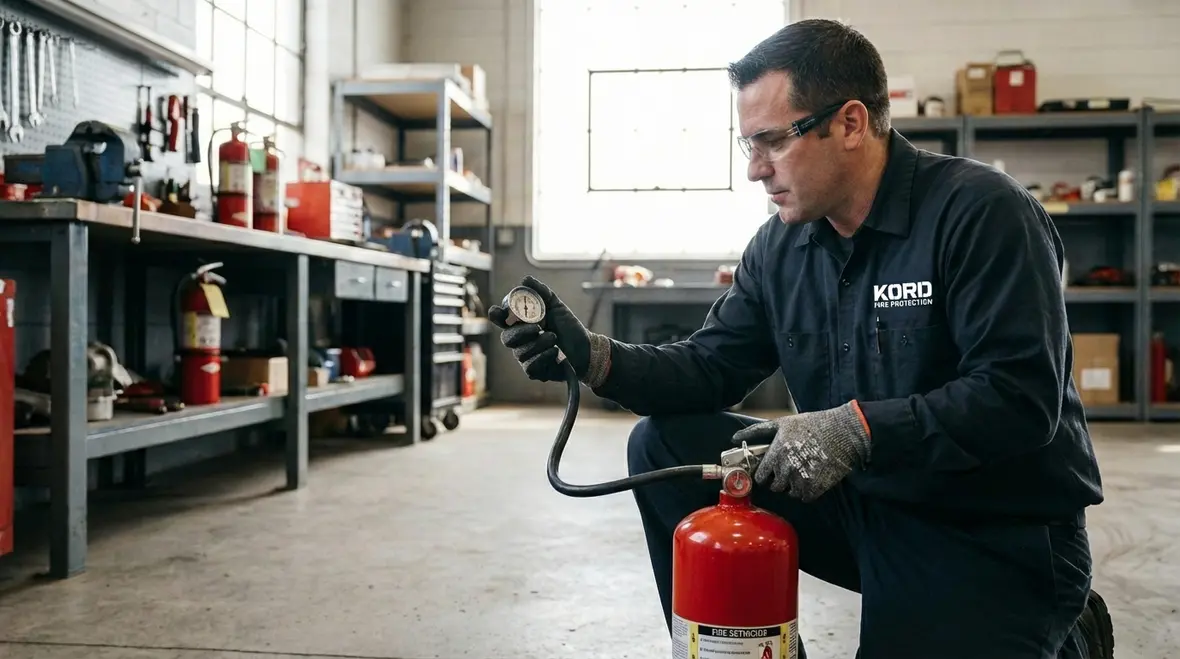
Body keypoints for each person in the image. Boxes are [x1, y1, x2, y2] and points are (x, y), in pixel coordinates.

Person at [488, 18, 1115, 659]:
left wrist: (858, 431)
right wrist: (595, 358)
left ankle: (1067, 633)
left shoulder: (981, 213)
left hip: (987, 525)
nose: (756, 170)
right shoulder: (781, 247)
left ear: (849, 124)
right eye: (746, 146)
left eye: (772, 142)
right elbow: (711, 366)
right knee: (662, 445)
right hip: (863, 509)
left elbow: (1019, 400)